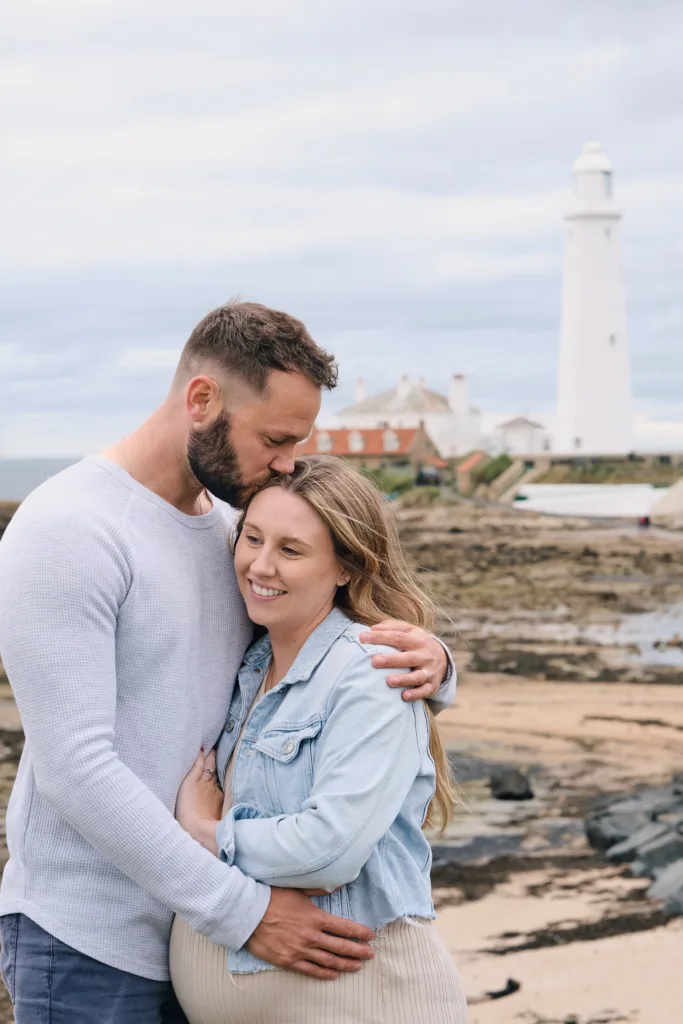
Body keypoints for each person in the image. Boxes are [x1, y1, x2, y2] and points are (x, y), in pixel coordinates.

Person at [0, 301, 455, 1023]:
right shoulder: (69, 528)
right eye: (274, 438)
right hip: (93, 941)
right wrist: (241, 911)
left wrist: (429, 657)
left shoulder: (229, 532)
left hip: (204, 942)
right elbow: (75, 767)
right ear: (202, 399)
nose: (287, 463)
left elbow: (302, 656)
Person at [170, 455, 468, 1023]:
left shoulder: (371, 672)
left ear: (345, 569)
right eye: (252, 538)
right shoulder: (251, 664)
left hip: (369, 1002)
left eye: (291, 549)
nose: (260, 564)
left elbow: (327, 849)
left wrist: (206, 835)